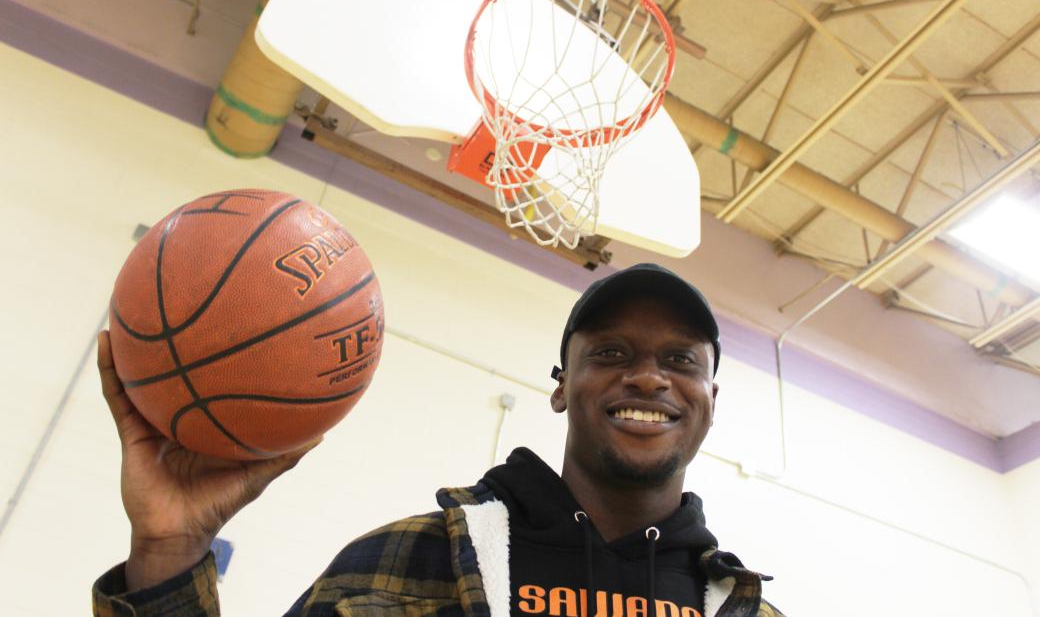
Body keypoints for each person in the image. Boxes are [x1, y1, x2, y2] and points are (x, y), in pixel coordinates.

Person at [93, 263, 784, 616]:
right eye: (610, 354)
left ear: (709, 402)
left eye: (680, 360)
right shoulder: (397, 564)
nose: (646, 377)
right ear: (560, 385)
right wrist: (168, 551)